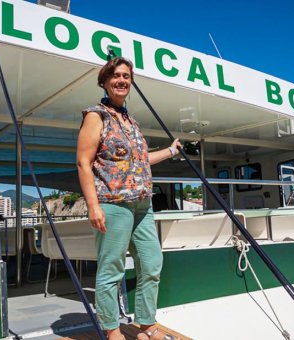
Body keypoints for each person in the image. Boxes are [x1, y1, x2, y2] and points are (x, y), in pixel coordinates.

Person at [76, 56, 181, 340]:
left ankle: (146, 324)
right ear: (105, 81)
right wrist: (93, 205)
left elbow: (142, 159)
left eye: (126, 76)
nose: (121, 80)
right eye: (115, 76)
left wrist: (171, 150)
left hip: (143, 205)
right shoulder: (96, 115)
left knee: (151, 264)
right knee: (112, 268)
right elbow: (83, 163)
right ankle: (112, 330)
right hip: (113, 204)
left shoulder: (131, 122)